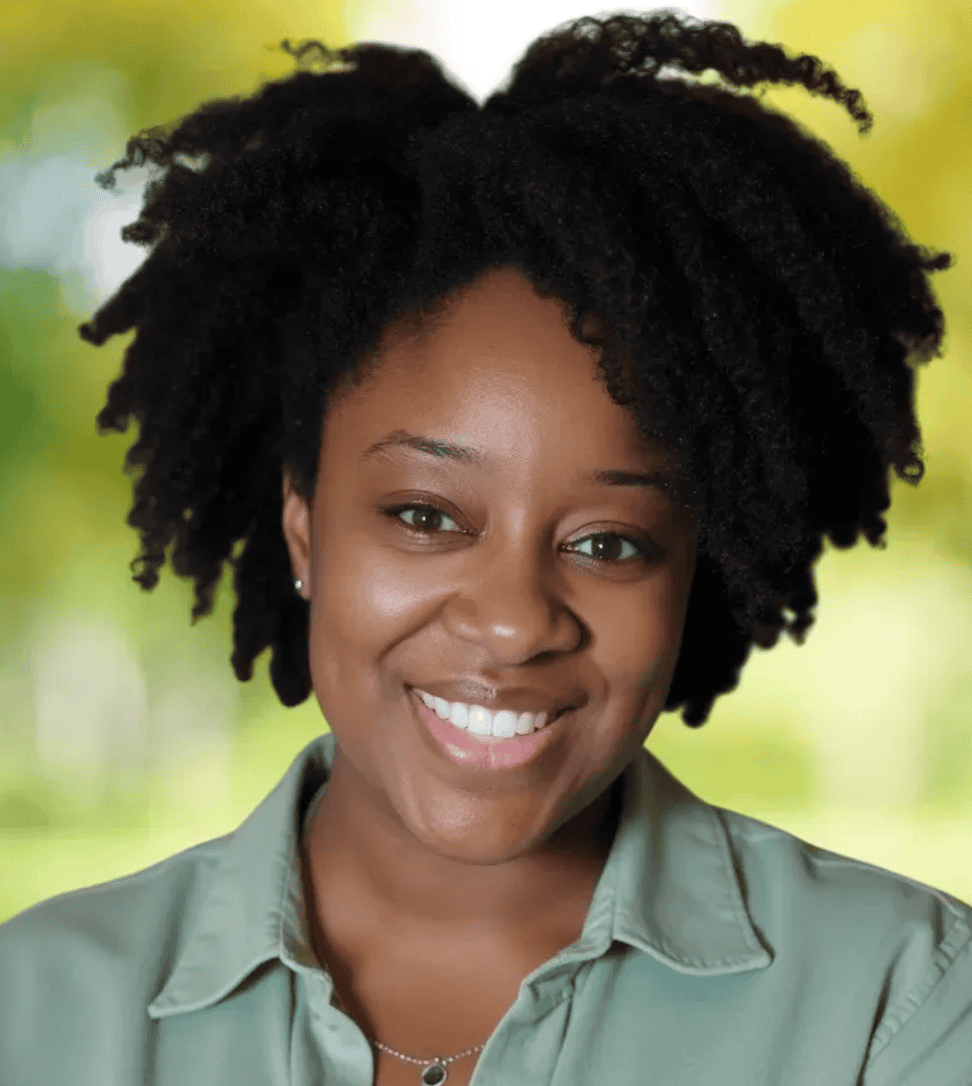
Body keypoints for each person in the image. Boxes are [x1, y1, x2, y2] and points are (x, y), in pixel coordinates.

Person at [1, 9, 968, 1086]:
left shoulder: (902, 1005)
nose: (514, 621)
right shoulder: (33, 1013)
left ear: (699, 570)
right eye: (425, 516)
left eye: (610, 541)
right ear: (304, 529)